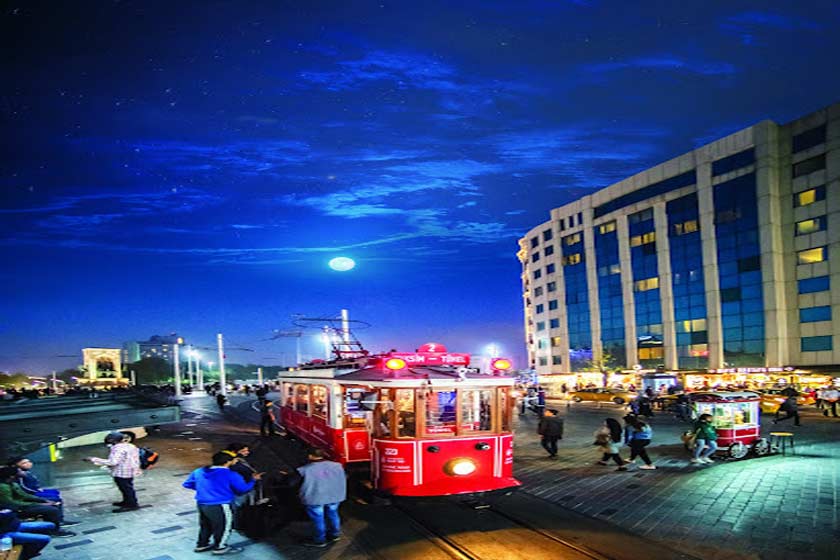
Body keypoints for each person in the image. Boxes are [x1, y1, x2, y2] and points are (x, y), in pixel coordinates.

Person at [183, 451, 261, 555]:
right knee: (224, 526)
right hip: (220, 504)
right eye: (234, 459)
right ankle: (220, 547)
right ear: (228, 462)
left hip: (202, 503)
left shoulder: (199, 471)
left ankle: (202, 544)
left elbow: (187, 484)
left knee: (206, 525)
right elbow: (242, 489)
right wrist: (253, 480)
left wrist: (204, 490)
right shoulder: (230, 474)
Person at [0, 467, 75, 538]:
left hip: (23, 504)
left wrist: (43, 500)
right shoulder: (3, 487)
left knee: (55, 501)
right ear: (11, 476)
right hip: (17, 508)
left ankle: (56, 523)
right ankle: (53, 531)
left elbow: (24, 495)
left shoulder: (13, 483)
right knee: (51, 510)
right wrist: (39, 504)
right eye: (19, 472)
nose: (22, 472)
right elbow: (10, 503)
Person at [296, 449, 346, 548]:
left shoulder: (305, 469)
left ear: (310, 456)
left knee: (318, 519)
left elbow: (292, 481)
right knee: (333, 514)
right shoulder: (337, 466)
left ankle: (320, 540)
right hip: (334, 496)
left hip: (315, 498)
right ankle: (334, 535)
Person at [85, 431, 142, 512]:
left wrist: (93, 459)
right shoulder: (130, 446)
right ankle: (127, 502)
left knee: (126, 488)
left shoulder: (117, 449)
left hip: (122, 472)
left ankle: (132, 505)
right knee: (128, 487)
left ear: (113, 441)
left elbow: (113, 462)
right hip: (131, 470)